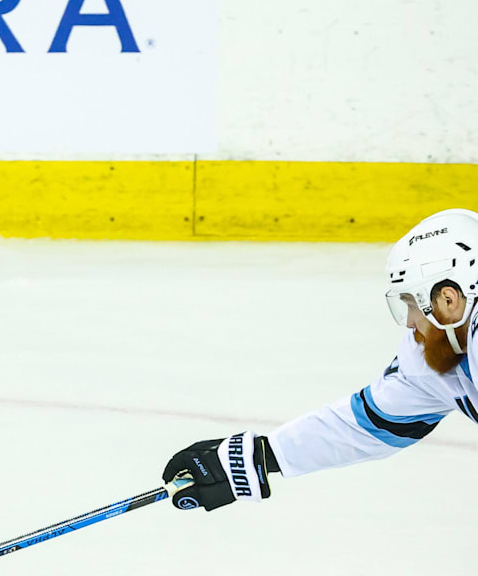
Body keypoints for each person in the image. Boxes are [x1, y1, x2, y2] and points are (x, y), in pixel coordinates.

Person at [161, 208, 478, 511]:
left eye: (412, 304)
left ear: (449, 299)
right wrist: (256, 458)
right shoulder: (436, 355)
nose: (410, 322)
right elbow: (369, 424)